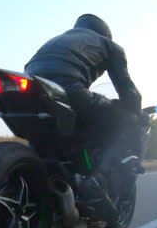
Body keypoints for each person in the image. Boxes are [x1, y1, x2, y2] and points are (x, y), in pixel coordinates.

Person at [24, 14, 143, 215]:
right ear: (106, 33)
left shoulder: (56, 40)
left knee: (41, 133)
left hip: (33, 88)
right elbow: (127, 89)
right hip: (68, 88)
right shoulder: (109, 45)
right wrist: (135, 112)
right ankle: (97, 179)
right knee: (124, 120)